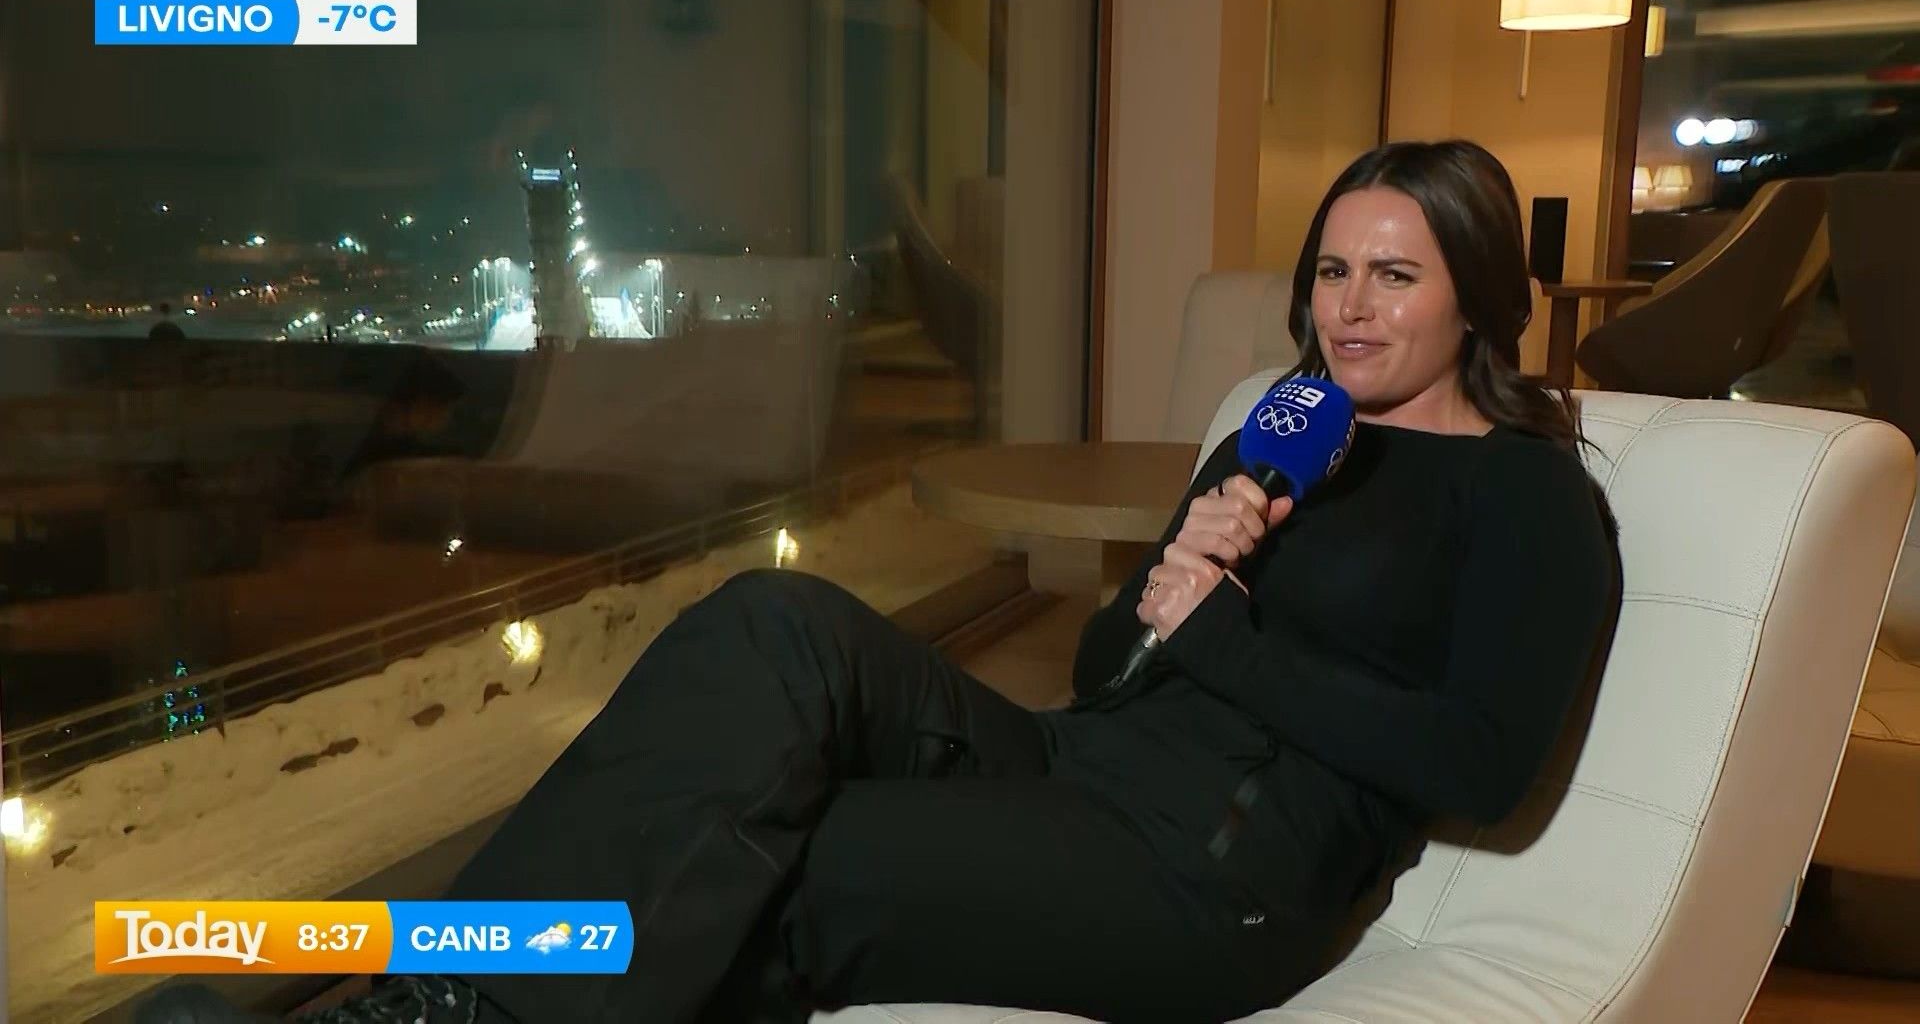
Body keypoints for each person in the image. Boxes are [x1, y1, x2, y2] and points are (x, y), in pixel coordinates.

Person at [139, 140, 1618, 1024]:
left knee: (789, 860)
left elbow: (1480, 767)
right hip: (1078, 765)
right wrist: (1184, 569)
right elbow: (1103, 673)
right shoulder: (1276, 430)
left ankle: (417, 1008)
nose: (1348, 309)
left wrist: (1226, 640)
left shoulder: (1530, 498)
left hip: (1220, 879)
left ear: (1478, 292)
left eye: (1395, 275)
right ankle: (427, 999)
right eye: (1332, 271)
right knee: (775, 627)